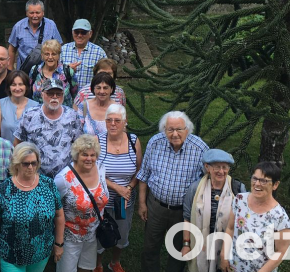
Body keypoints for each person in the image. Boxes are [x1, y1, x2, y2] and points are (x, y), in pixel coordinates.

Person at [137, 111, 209, 272]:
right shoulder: (155, 143)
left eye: (179, 129)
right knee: (150, 247)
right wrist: (142, 203)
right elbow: (144, 175)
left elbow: (208, 180)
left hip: (183, 212)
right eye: (170, 129)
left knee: (178, 251)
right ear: (164, 129)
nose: (174, 134)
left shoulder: (200, 148)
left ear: (187, 129)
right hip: (156, 207)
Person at [0, 142, 64, 272]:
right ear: (17, 164)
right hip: (11, 255)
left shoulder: (48, 185)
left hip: (41, 253)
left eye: (34, 163)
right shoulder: (3, 190)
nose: (30, 167)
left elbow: (59, 215)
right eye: (26, 163)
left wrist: (59, 244)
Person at [181, 149, 246, 272]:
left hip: (226, 247)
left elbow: (243, 220)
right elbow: (187, 217)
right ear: (207, 167)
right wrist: (186, 244)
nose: (221, 171)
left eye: (225, 167)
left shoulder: (237, 189)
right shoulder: (195, 188)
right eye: (217, 167)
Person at [221, 162, 290, 272]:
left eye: (263, 181)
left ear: (275, 185)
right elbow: (230, 228)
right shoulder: (239, 200)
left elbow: (281, 252)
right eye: (255, 178)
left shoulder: (280, 218)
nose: (257, 184)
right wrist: (223, 255)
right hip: (234, 266)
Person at [54, 135, 109, 272]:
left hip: (92, 234)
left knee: (87, 268)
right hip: (70, 237)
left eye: (93, 155)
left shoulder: (101, 168)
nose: (89, 159)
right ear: (76, 155)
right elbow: (54, 209)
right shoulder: (64, 179)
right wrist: (58, 242)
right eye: (85, 154)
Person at [97, 104, 142, 272]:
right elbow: (94, 171)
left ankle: (115, 262)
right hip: (102, 198)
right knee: (101, 229)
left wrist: (129, 187)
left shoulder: (133, 141)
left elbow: (140, 170)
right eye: (109, 120)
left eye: (117, 120)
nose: (113, 124)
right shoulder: (98, 141)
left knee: (122, 229)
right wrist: (117, 187)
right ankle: (98, 263)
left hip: (124, 199)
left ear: (125, 122)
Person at [14, 79, 82, 178]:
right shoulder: (30, 114)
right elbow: (17, 143)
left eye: (58, 94)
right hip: (34, 176)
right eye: (50, 93)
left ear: (63, 96)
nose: (54, 97)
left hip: (66, 177)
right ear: (42, 94)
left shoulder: (72, 115)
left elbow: (79, 146)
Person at [8, 0, 62, 71]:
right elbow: (11, 50)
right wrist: (10, 70)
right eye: (31, 13)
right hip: (24, 71)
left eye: (37, 12)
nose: (35, 16)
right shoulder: (18, 26)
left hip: (46, 71)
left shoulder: (51, 25)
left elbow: (59, 48)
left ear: (43, 13)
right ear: (27, 13)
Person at [0, 70, 39, 144]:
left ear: (26, 86)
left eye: (21, 84)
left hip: (29, 153)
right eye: (13, 85)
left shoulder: (36, 106)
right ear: (9, 87)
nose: (17, 88)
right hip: (6, 153)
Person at [61, 19, 106, 91]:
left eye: (83, 32)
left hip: (89, 97)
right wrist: (66, 70)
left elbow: (105, 77)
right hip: (66, 96)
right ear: (72, 32)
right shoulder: (63, 50)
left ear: (90, 33)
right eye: (76, 32)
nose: (79, 35)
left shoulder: (99, 53)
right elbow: (54, 73)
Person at [29, 39, 77, 106]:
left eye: (54, 54)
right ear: (42, 56)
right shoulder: (34, 70)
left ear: (58, 56)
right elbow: (29, 92)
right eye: (47, 54)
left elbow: (75, 95)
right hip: (39, 113)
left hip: (63, 114)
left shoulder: (68, 71)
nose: (50, 57)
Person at [75, 72, 117, 138]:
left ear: (111, 89)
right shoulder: (84, 107)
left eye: (105, 88)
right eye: (98, 88)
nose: (102, 91)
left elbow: (122, 135)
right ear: (93, 89)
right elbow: (77, 133)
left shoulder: (117, 109)